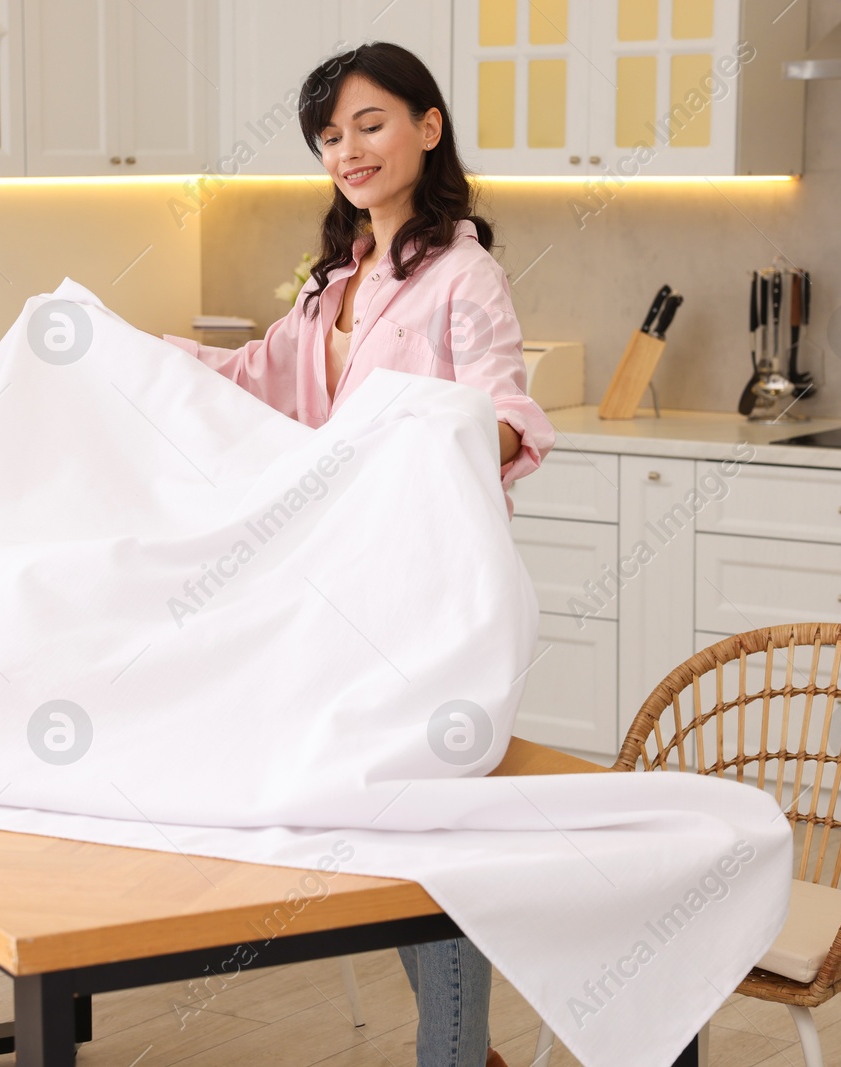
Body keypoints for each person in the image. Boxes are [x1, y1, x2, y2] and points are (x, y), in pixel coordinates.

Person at [162, 41, 555, 1067]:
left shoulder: (464, 275)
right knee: (378, 833)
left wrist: (440, 429)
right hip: (337, 599)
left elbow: (507, 410)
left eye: (369, 123)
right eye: (329, 135)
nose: (348, 149)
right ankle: (466, 1049)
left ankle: (455, 1053)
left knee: (422, 834)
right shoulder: (334, 276)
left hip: (426, 601)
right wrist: (132, 351)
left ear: (428, 126)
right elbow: (256, 375)